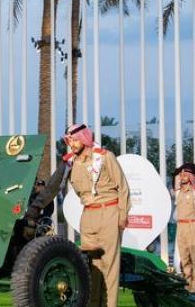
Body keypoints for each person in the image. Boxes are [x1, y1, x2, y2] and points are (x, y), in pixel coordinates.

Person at [63, 123, 130, 307]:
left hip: (109, 212)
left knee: (110, 267)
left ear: (84, 138)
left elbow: (122, 187)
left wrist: (122, 215)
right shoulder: (72, 163)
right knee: (91, 267)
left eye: (75, 140)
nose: (72, 144)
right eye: (69, 140)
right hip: (88, 216)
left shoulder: (105, 157)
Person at [174, 165, 195, 293]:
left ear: (191, 177)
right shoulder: (178, 192)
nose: (182, 177)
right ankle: (187, 284)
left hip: (193, 225)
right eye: (181, 175)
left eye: (185, 175)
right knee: (184, 257)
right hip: (181, 226)